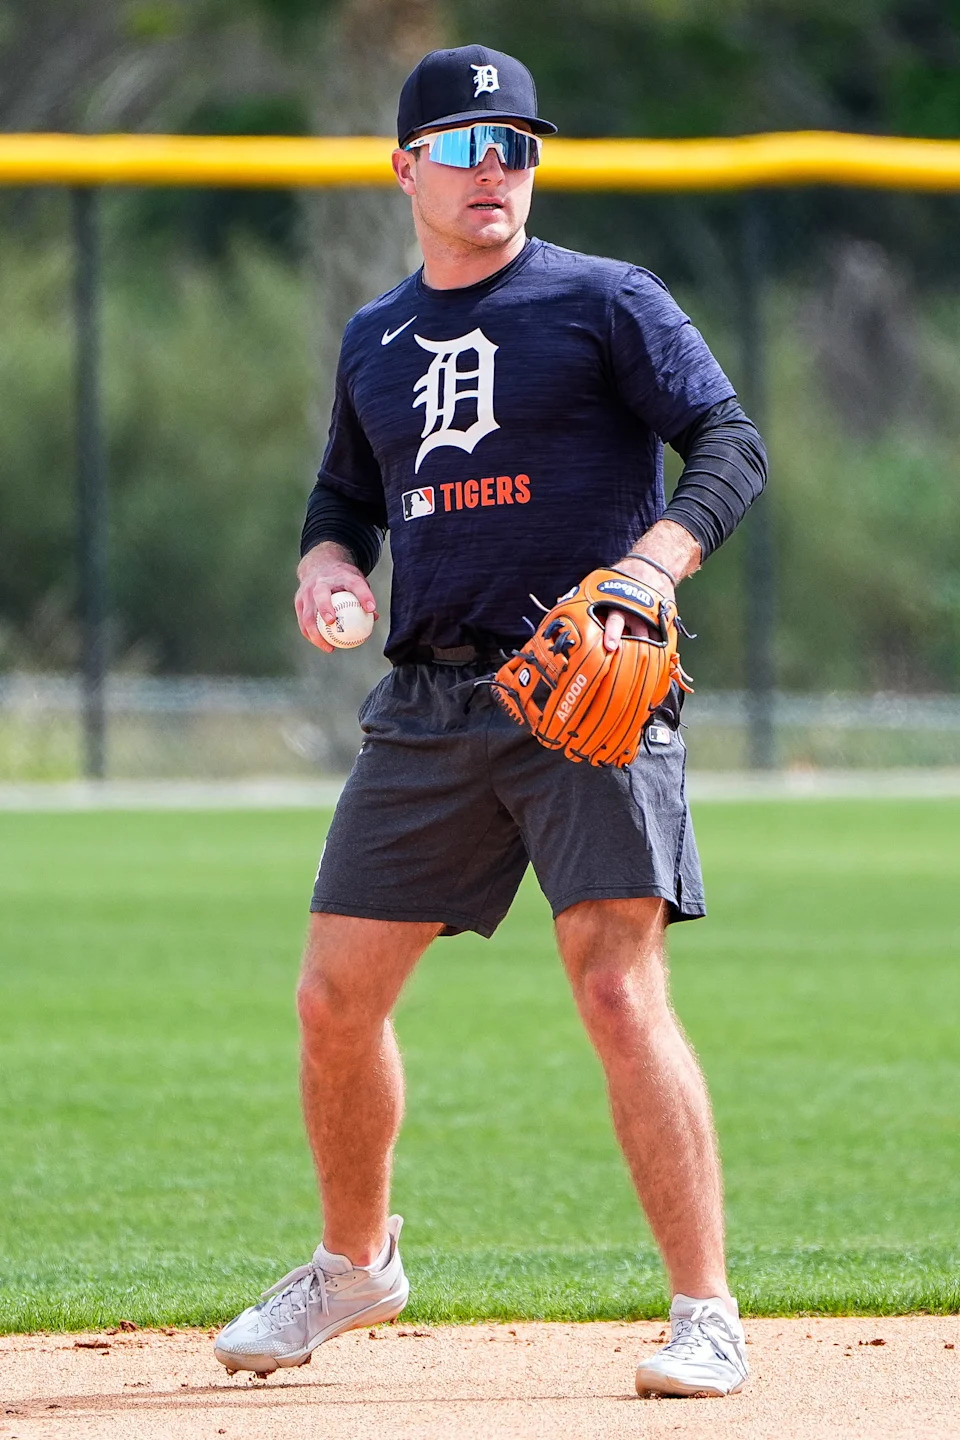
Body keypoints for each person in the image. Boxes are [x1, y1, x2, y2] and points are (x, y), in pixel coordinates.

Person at [214, 43, 767, 1398]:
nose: (495, 170)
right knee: (334, 1000)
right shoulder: (374, 340)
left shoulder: (604, 301)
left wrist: (650, 572)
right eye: (465, 146)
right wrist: (329, 571)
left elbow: (730, 445)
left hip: (589, 689)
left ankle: (706, 1310)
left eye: (516, 145)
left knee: (615, 986)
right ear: (404, 168)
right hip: (427, 703)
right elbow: (340, 509)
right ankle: (358, 1266)